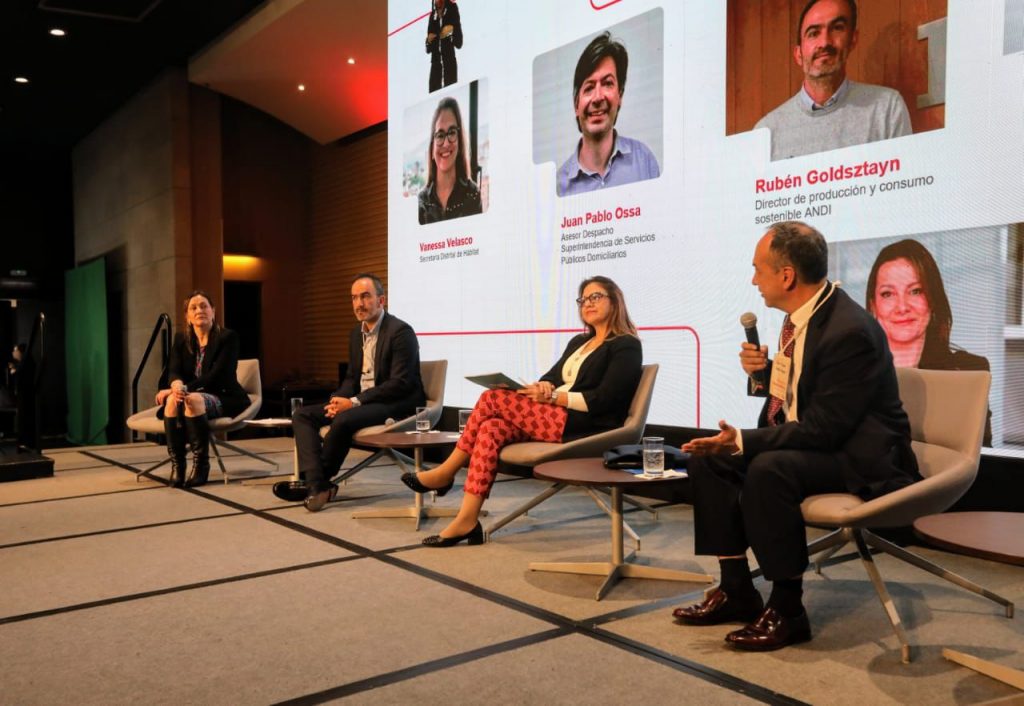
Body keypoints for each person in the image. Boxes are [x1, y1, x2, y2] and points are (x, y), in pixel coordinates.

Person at [673, 221, 919, 652]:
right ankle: (737, 590)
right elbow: (800, 396)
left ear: (787, 276)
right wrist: (763, 376)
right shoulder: (803, 318)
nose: (753, 280)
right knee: (707, 459)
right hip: (825, 438)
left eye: (758, 270)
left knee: (770, 468)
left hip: (862, 455)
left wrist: (744, 441)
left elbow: (826, 429)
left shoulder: (849, 330)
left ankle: (788, 609)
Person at [402, 275, 643, 547]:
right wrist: (542, 387)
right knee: (491, 429)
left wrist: (555, 397)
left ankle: (445, 472)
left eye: (596, 297)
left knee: (492, 398)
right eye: (583, 299)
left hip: (588, 423)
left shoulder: (627, 345)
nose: (587, 303)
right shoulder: (579, 342)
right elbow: (551, 376)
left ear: (615, 301)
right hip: (556, 416)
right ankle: (467, 520)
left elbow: (606, 399)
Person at [283, 274, 425, 512]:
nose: (359, 303)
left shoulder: (401, 332)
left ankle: (313, 484)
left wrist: (354, 402)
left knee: (345, 418)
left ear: (381, 300)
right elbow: (352, 378)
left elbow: (400, 383)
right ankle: (318, 484)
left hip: (397, 402)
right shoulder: (354, 334)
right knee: (302, 416)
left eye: (365, 296)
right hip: (364, 401)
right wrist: (337, 400)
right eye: (354, 298)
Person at [866, 239, 992, 445]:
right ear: (873, 305)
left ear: (932, 301)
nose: (902, 307)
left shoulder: (969, 370)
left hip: (945, 477)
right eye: (887, 294)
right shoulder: (853, 371)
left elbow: (981, 455)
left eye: (915, 291)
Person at [754, 0, 912, 161]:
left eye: (837, 28)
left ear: (853, 40)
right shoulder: (766, 132)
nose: (824, 42)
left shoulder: (886, 108)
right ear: (798, 54)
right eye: (813, 33)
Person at [156, 290, 249, 488]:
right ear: (188, 316)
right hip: (190, 394)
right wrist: (175, 386)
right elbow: (173, 370)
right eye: (194, 307)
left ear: (213, 311)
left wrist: (182, 389)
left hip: (224, 396)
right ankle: (178, 466)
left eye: (204, 306)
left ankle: (201, 466)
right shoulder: (181, 339)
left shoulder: (227, 337)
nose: (200, 310)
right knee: (173, 401)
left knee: (192, 399)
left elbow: (217, 375)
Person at [557, 31, 660, 196]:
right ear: (576, 105)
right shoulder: (558, 186)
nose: (598, 97)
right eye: (589, 87)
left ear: (620, 95)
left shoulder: (644, 161)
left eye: (607, 83)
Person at [418, 96, 483, 224]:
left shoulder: (473, 194)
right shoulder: (421, 202)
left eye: (452, 132)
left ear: (460, 143)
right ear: (432, 148)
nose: (446, 143)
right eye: (440, 135)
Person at [426, 0, 463, 92]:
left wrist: (450, 32)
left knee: (450, 96)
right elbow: (428, 48)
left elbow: (459, 42)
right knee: (433, 99)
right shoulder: (432, 15)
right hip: (435, 66)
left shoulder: (452, 8)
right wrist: (429, 40)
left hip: (449, 62)